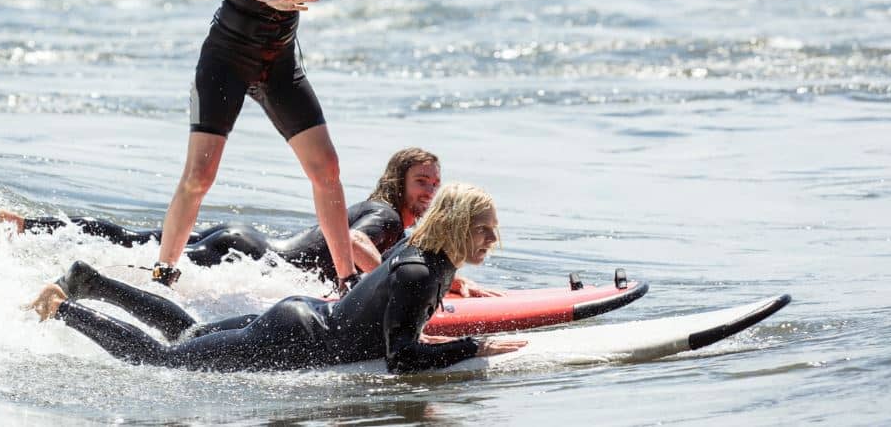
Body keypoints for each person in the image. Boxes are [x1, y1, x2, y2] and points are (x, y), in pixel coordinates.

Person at [152, 0, 398, 289]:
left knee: (327, 169)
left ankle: (345, 282)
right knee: (200, 176)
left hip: (279, 65)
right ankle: (163, 273)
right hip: (227, 60)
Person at [26, 183, 526, 373]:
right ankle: (62, 307)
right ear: (456, 226)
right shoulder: (421, 271)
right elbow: (402, 361)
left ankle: (91, 281)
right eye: (484, 229)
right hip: (295, 340)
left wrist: (431, 335)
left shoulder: (425, 256)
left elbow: (387, 318)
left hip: (303, 320)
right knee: (162, 359)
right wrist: (473, 347)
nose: (493, 239)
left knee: (189, 334)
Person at [0, 148, 467, 285]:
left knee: (135, 240)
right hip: (250, 256)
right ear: (399, 181)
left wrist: (456, 283)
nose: (430, 191)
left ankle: (26, 227)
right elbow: (357, 244)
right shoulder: (386, 216)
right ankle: (48, 250)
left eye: (435, 183)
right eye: (421, 181)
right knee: (137, 256)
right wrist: (393, 284)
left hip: (246, 244)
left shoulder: (380, 212)